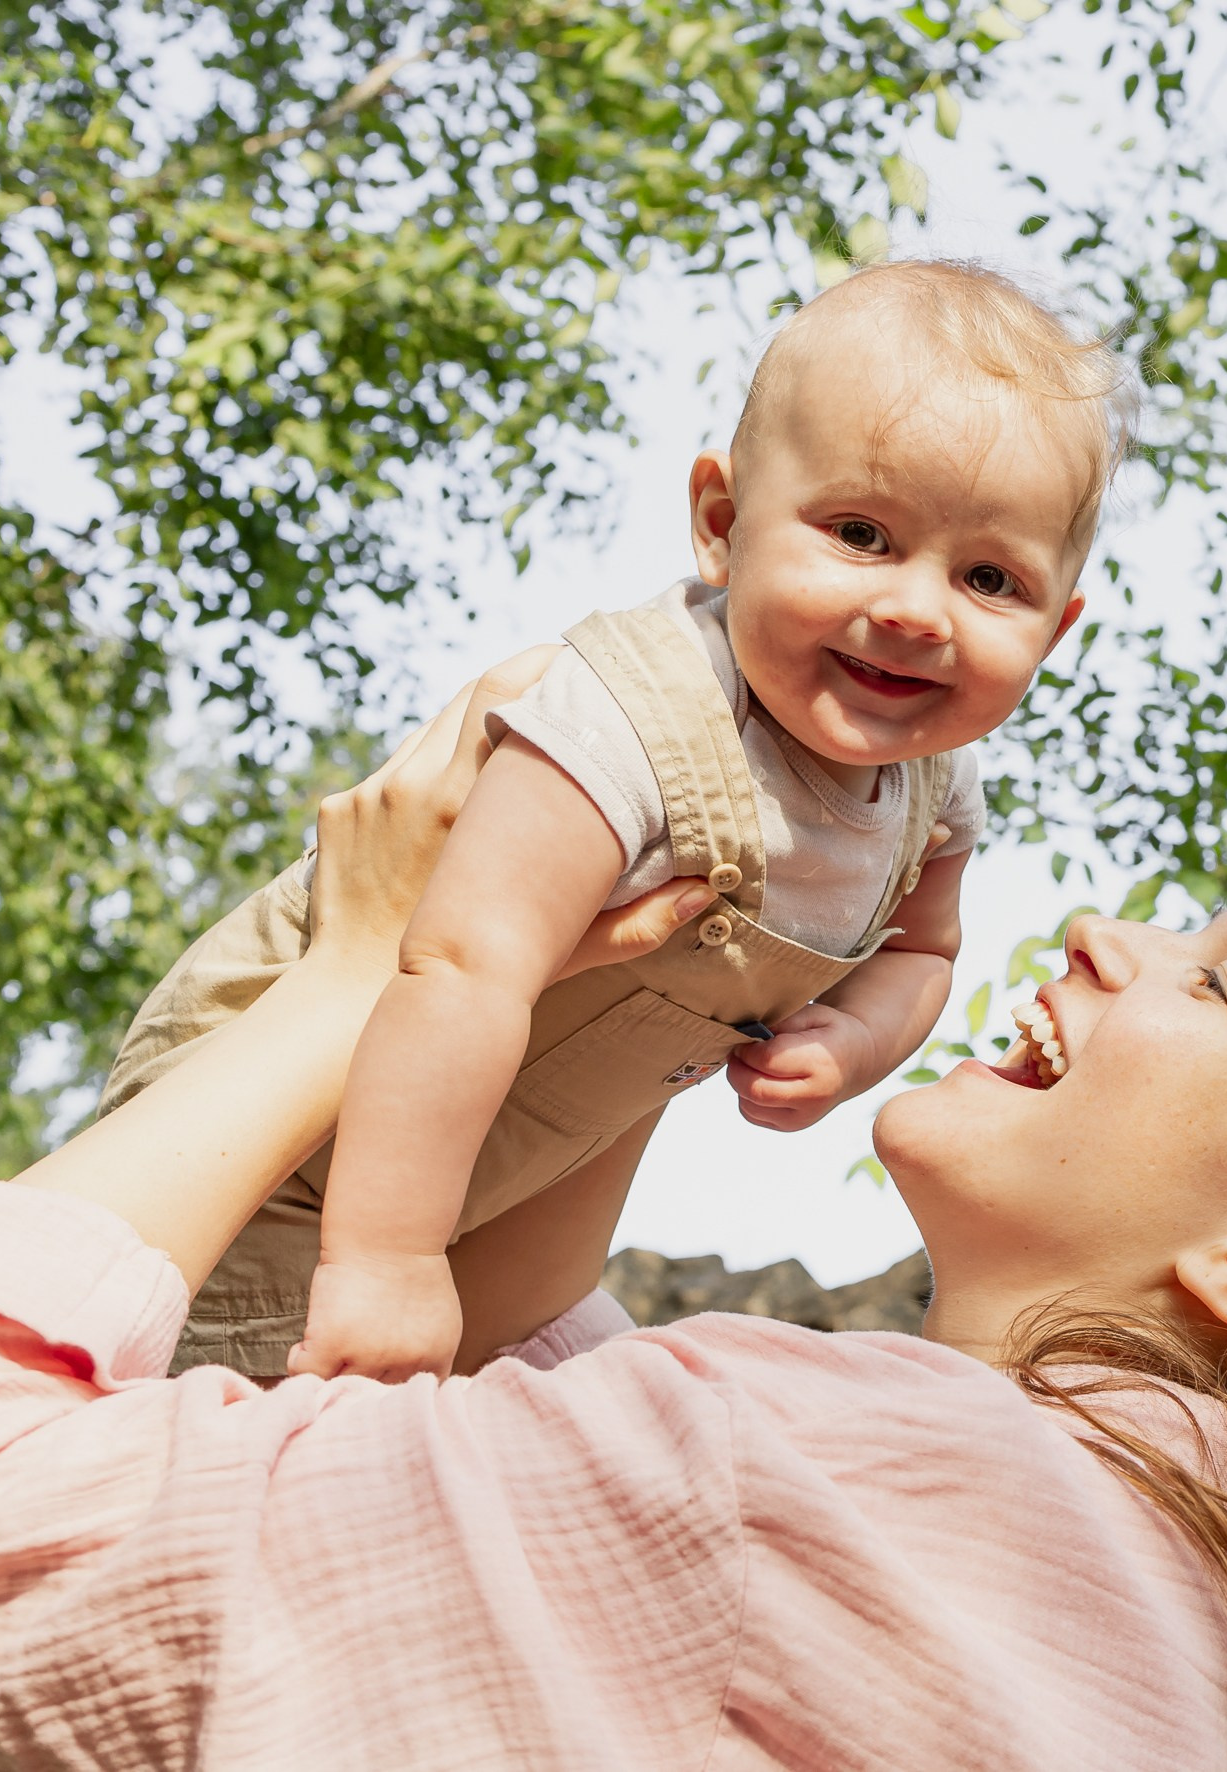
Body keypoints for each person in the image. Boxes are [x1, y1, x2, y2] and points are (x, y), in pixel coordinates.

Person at [0, 663, 1227, 1772]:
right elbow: (503, 1343)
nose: (1107, 933)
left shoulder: (866, 1484)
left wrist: (356, 973)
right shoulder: (1165, 1630)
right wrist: (685, 983)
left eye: (1215, 983)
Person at [96, 258, 1134, 1383]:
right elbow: (461, 967)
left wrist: (854, 1041)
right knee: (191, 1371)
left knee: (464, 1403)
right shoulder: (635, 719)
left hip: (516, 1186)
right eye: (860, 535)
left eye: (987, 578)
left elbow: (924, 951)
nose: (914, 610)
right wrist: (384, 1256)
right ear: (722, 525)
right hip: (308, 1142)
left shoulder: (935, 793)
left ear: (1056, 624)